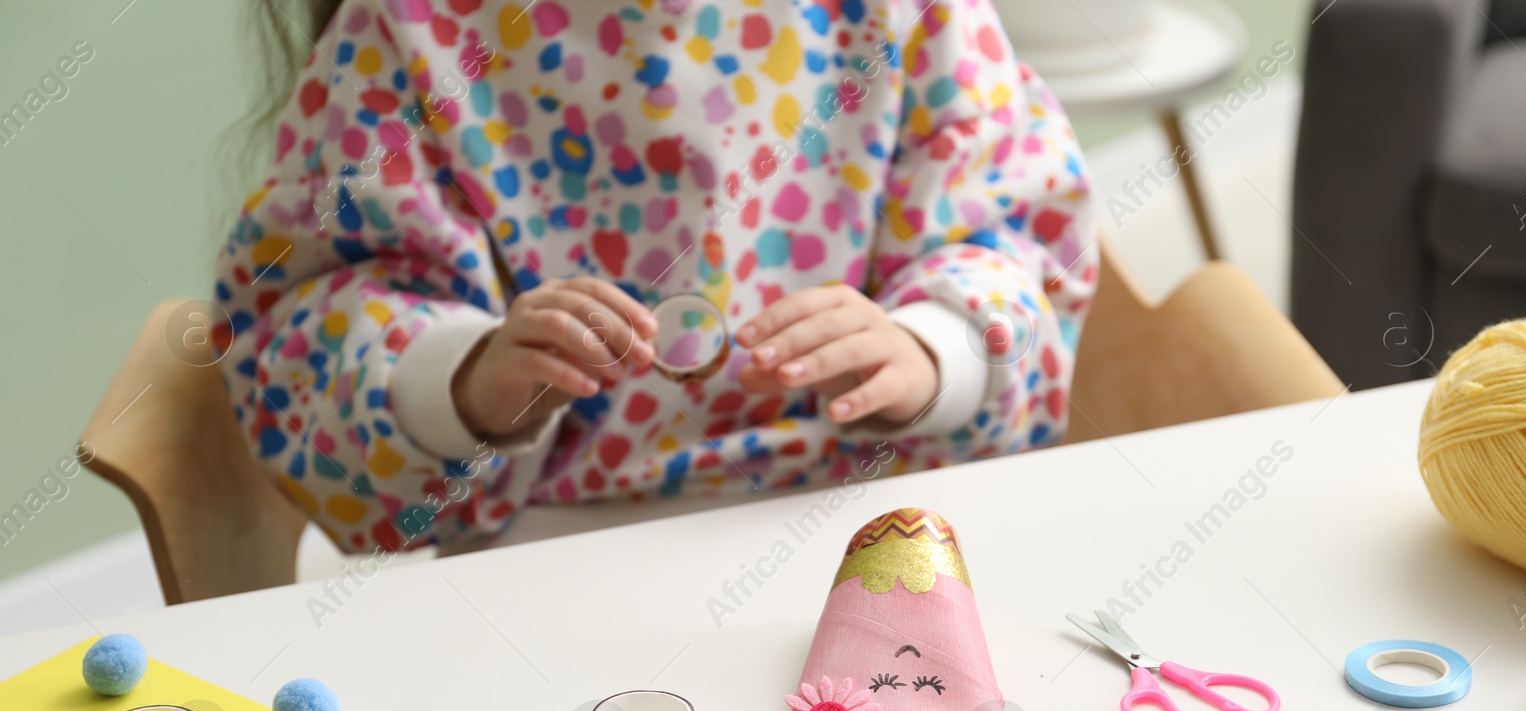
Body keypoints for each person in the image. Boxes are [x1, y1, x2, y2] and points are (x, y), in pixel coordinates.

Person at [216, 0, 1096, 554]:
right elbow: (304, 325)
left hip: (867, 523)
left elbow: (1012, 236)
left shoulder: (907, 15)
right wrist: (463, 379)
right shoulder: (411, 32)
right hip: (549, 554)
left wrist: (930, 350)